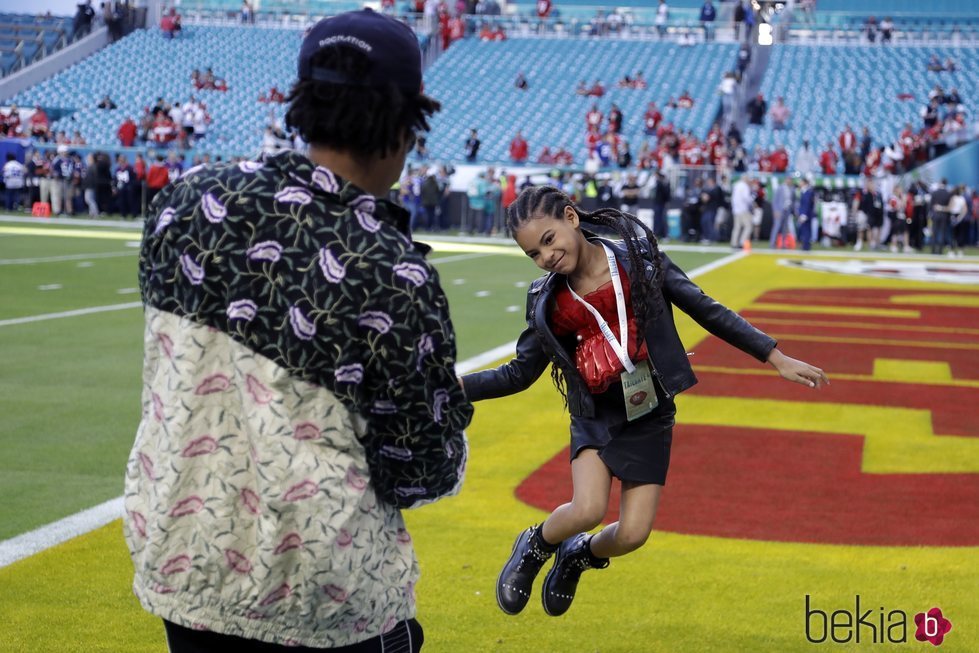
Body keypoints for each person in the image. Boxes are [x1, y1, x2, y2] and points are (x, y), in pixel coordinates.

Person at [125, 11, 472, 651]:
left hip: (186, 563)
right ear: (405, 124)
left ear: (304, 100)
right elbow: (425, 469)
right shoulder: (390, 272)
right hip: (323, 593)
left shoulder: (183, 202)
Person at [460, 185, 827, 617]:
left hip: (648, 409)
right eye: (534, 255)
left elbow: (706, 309)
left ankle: (579, 555)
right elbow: (518, 373)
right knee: (588, 507)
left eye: (549, 240)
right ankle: (536, 544)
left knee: (633, 534)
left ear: (571, 218)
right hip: (596, 412)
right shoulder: (547, 301)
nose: (547, 257)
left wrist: (775, 356)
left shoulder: (640, 261)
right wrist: (454, 387)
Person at [796, 177, 816, 250]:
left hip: (806, 214)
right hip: (804, 213)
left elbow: (807, 204)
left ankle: (806, 246)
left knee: (806, 230)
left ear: (804, 183)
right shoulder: (804, 191)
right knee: (804, 230)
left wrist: (804, 214)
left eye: (800, 182)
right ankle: (805, 245)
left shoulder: (808, 191)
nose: (799, 183)